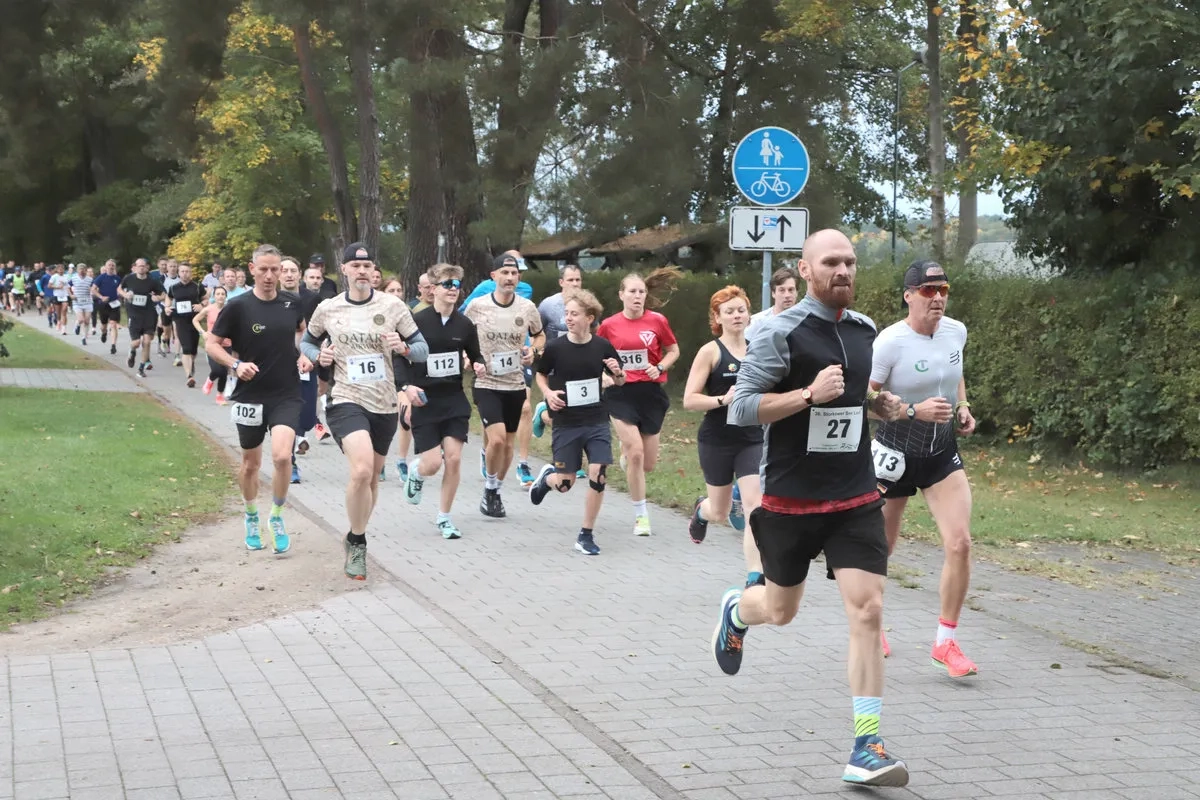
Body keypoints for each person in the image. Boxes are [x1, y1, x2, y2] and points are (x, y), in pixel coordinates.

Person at [711, 229, 908, 787]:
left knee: (868, 610)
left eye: (850, 262)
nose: (843, 271)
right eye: (830, 262)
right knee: (780, 611)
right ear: (805, 269)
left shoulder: (865, 329)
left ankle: (866, 746)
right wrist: (805, 395)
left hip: (854, 496)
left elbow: (853, 397)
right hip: (791, 498)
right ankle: (737, 611)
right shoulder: (778, 331)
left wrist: (880, 405)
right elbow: (741, 409)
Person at [869, 261, 977, 676]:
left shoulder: (956, 331)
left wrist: (963, 406)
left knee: (960, 543)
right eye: (929, 291)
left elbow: (955, 373)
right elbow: (866, 401)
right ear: (908, 295)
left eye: (943, 290)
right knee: (881, 546)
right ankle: (870, 624)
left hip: (940, 453)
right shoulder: (889, 342)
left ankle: (945, 643)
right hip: (894, 454)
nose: (938, 298)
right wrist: (913, 410)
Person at [301, 242, 428, 580]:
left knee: (371, 479)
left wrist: (404, 348)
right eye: (355, 266)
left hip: (384, 403)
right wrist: (318, 356)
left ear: (374, 271)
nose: (361, 271)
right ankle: (358, 543)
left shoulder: (392, 306)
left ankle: (354, 533)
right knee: (361, 471)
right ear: (343, 269)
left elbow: (422, 349)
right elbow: (307, 342)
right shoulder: (328, 308)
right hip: (345, 398)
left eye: (367, 266)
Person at [207, 244, 309, 555]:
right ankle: (251, 515)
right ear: (252, 269)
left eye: (275, 269)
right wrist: (235, 364)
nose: (269, 275)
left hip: (286, 393)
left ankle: (276, 516)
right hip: (250, 395)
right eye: (263, 269)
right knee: (251, 464)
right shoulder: (237, 306)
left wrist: (303, 354)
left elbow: (301, 333)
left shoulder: (292, 303)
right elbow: (212, 344)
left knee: (282, 457)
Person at [529, 290, 626, 555]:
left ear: (589, 318)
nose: (568, 319)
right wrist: (548, 394)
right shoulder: (556, 347)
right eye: (566, 314)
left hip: (596, 419)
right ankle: (547, 479)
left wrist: (617, 373)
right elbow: (540, 375)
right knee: (565, 484)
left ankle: (586, 534)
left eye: (574, 314)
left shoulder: (602, 346)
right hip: (567, 422)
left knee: (599, 472)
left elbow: (620, 380)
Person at [682, 286, 766, 585]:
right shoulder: (711, 351)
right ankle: (701, 511)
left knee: (755, 506)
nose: (736, 315)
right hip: (717, 439)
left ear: (749, 314)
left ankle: (755, 575)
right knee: (720, 511)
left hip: (752, 438)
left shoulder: (759, 350)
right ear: (717, 318)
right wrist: (722, 400)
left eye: (741, 310)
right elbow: (689, 400)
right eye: (729, 311)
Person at [398, 264, 485, 539]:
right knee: (433, 464)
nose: (453, 289)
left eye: (457, 285)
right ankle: (417, 472)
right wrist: (406, 387)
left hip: (454, 398)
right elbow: (399, 358)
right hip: (425, 400)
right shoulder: (416, 322)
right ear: (433, 289)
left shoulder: (464, 324)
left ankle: (444, 517)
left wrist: (479, 364)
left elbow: (476, 353)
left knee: (454, 459)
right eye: (447, 284)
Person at [596, 268, 681, 536]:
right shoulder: (609, 325)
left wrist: (661, 366)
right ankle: (641, 516)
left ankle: (628, 458)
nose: (637, 296)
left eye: (641, 292)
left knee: (647, 464)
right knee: (635, 451)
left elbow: (673, 350)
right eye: (632, 291)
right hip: (620, 392)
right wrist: (604, 376)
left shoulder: (657, 321)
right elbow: (595, 354)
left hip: (650, 394)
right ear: (621, 295)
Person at [463, 253, 544, 517]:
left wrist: (534, 351)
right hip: (486, 381)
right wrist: (467, 357)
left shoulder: (527, 308)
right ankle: (489, 485)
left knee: (508, 445)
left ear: (519, 277)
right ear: (494, 276)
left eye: (514, 274)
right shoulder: (477, 306)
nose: (510, 278)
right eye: (505, 273)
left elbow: (539, 335)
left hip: (515, 383)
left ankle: (494, 490)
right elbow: (463, 335)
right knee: (496, 440)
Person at [381, 277, 412, 482]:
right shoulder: (373, 313)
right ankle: (379, 460)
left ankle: (401, 460)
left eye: (399, 290)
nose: (396, 294)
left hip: (401, 368)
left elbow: (417, 343)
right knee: (382, 417)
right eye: (391, 290)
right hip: (379, 370)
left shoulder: (406, 314)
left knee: (406, 416)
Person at [119, 259, 166, 377]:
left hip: (149, 314)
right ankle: (132, 351)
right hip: (134, 314)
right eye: (139, 266)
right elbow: (119, 288)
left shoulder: (152, 281)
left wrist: (158, 298)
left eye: (143, 266)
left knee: (147, 341)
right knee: (136, 343)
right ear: (135, 267)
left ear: (147, 268)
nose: (141, 268)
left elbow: (164, 294)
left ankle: (141, 368)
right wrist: (125, 295)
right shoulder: (129, 278)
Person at [745, 266, 799, 338]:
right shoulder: (757, 322)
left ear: (797, 292)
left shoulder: (805, 321)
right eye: (782, 290)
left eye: (791, 290)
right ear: (773, 293)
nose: (787, 295)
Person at [537, 263, 583, 340]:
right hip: (553, 346)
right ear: (561, 282)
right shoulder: (548, 304)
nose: (575, 284)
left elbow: (595, 329)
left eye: (578, 280)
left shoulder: (588, 304)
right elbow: (535, 332)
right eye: (570, 280)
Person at [92, 260, 123, 354]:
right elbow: (93, 289)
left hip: (114, 304)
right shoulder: (101, 277)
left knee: (113, 324)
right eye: (109, 265)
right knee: (103, 326)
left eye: (113, 265)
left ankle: (113, 345)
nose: (111, 267)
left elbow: (121, 290)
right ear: (105, 267)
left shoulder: (117, 278)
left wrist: (120, 294)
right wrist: (101, 297)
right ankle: (104, 333)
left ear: (115, 267)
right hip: (103, 304)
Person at [70, 265, 95, 345]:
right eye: (80, 269)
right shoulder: (73, 278)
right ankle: (78, 327)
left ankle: (84, 337)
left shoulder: (90, 279)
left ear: (85, 270)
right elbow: (67, 286)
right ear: (77, 270)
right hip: (77, 302)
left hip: (88, 302)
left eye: (83, 269)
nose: (81, 270)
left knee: (87, 321)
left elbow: (95, 288)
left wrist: (92, 291)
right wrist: (71, 295)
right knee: (81, 320)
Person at [49, 264, 71, 335]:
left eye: (62, 269)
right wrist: (58, 287)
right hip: (57, 296)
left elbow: (68, 286)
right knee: (58, 313)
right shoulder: (54, 277)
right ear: (57, 270)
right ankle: (58, 321)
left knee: (64, 311)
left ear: (64, 270)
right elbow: (49, 286)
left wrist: (70, 294)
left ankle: (64, 329)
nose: (61, 271)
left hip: (65, 296)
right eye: (59, 269)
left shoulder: (66, 276)